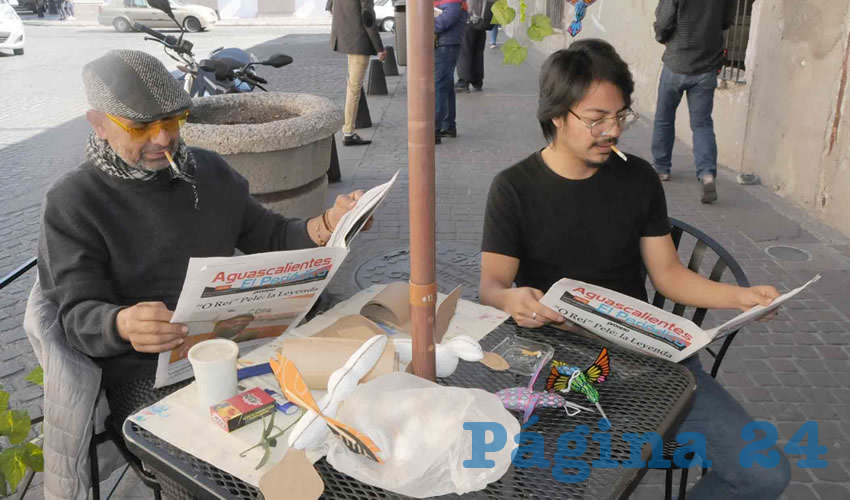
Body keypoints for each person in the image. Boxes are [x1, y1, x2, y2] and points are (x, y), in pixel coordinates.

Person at [479, 40, 790, 500]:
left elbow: (668, 276)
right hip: (558, 367)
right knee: (547, 491)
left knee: (766, 474)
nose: (612, 131)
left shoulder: (637, 178)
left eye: (620, 116)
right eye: (596, 119)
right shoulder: (514, 189)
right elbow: (492, 286)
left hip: (645, 362)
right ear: (557, 115)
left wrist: (739, 299)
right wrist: (513, 300)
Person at [37, 49, 371, 423]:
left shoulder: (206, 169)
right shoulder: (74, 201)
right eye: (140, 127)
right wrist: (121, 324)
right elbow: (76, 315)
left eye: (172, 120)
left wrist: (329, 223)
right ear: (98, 123)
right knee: (218, 460)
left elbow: (272, 234)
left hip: (243, 343)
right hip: (150, 372)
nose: (163, 138)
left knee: (345, 399)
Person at [651, 0, 736, 203]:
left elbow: (663, 21)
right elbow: (727, 20)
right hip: (707, 65)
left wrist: (662, 37)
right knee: (702, 124)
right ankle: (707, 174)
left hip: (676, 62)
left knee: (664, 118)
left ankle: (662, 168)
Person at [328, 0, 386, 146]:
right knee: (354, 88)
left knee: (352, 86)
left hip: (345, 39)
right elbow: (368, 19)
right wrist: (380, 48)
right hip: (359, 42)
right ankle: (348, 132)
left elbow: (330, 7)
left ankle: (348, 130)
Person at [434, 0, 468, 140]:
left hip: (446, 43)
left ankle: (434, 128)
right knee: (445, 85)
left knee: (439, 86)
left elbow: (450, 15)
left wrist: (426, 25)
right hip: (447, 42)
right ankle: (447, 125)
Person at [455, 0, 494, 93]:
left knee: (465, 52)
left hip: (470, 21)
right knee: (478, 52)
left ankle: (463, 82)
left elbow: (470, 4)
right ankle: (477, 80)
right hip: (482, 21)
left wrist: (466, 16)